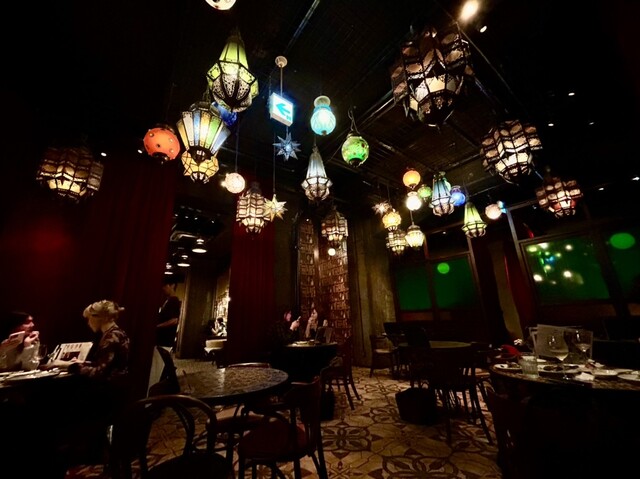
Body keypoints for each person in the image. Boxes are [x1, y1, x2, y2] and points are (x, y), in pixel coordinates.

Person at [157, 281, 181, 350]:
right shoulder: (168, 300)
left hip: (165, 340)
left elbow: (174, 320)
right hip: (162, 340)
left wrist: (158, 326)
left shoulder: (174, 301)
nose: (163, 288)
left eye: (165, 286)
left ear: (172, 285)